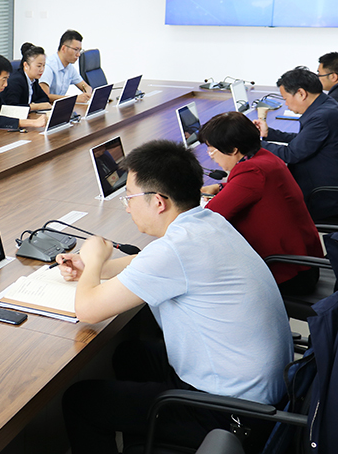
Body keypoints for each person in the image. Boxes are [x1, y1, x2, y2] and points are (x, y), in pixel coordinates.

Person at [59, 140, 292, 454]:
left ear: (158, 202)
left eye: (129, 197)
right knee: (129, 355)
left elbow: (87, 310)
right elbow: (149, 263)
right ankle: (148, 441)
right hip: (260, 393)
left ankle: (157, 434)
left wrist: (94, 256)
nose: (126, 207)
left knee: (80, 401)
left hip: (230, 414)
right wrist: (91, 269)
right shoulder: (207, 221)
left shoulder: (176, 250)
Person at [199, 111, 324, 294]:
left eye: (212, 149)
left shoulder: (251, 171)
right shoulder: (263, 157)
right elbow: (250, 188)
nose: (211, 156)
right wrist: (219, 187)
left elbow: (210, 216)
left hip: (289, 273)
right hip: (305, 263)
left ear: (233, 149)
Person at [255, 66, 338, 220]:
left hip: (328, 200)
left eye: (285, 99)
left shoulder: (322, 117)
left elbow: (291, 154)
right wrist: (269, 133)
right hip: (328, 189)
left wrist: (251, 143)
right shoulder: (325, 105)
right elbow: (303, 140)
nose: (286, 104)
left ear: (301, 93)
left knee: (263, 206)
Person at [40, 29, 92, 102]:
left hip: (60, 106)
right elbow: (45, 96)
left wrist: (87, 94)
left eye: (79, 50)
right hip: (46, 107)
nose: (78, 54)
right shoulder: (48, 66)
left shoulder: (69, 67)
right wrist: (74, 99)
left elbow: (86, 86)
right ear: (63, 48)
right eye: (76, 49)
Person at [0, 42, 52, 111]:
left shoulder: (33, 80)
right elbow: (12, 108)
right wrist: (34, 106)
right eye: (39, 66)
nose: (42, 69)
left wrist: (33, 106)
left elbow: (44, 99)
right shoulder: (16, 81)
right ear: (26, 65)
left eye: (44, 65)